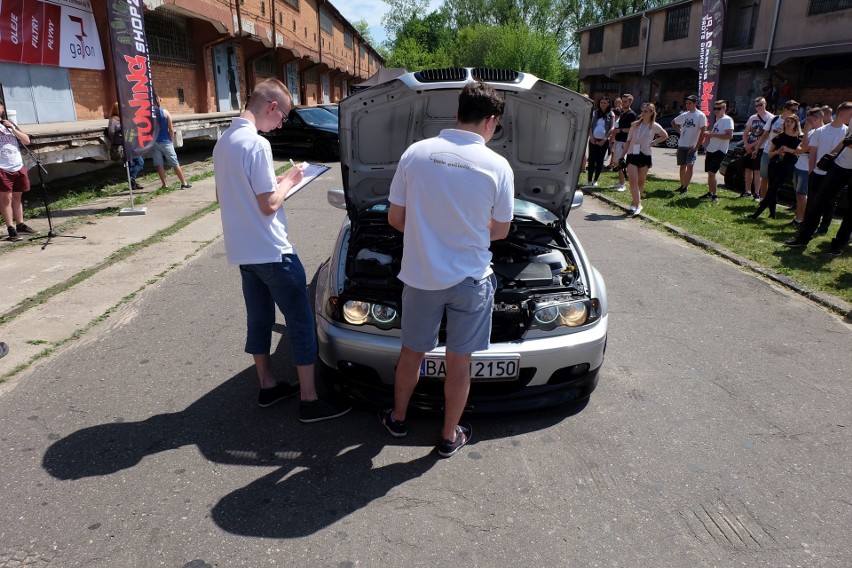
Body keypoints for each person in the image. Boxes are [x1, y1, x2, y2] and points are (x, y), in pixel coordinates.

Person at [381, 81, 514, 458]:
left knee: (412, 353)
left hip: (421, 277)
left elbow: (395, 218)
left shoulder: (416, 153)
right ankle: (447, 435)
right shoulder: (498, 166)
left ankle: (398, 418)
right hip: (471, 281)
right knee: (460, 363)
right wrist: (464, 228)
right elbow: (501, 231)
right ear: (490, 121)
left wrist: (430, 228)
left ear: (457, 114)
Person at [212, 78, 351, 422]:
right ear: (271, 107)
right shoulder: (257, 145)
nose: (281, 124)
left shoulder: (223, 142)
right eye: (283, 116)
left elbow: (226, 197)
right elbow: (268, 204)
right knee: (302, 321)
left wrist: (273, 187)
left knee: (259, 318)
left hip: (243, 252)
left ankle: (268, 385)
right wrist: (290, 180)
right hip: (273, 251)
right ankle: (309, 399)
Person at [785, 102, 852, 250]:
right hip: (831, 169)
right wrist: (822, 163)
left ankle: (835, 241)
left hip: (843, 170)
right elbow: (843, 143)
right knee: (815, 205)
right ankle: (803, 237)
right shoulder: (825, 130)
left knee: (839, 207)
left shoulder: (846, 127)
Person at [801, 102, 850, 236]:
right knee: (813, 202)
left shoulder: (847, 132)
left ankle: (824, 227)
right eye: (850, 114)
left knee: (830, 202)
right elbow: (813, 153)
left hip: (835, 174)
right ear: (842, 114)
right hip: (818, 172)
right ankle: (807, 227)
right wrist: (811, 171)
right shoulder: (821, 131)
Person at [748, 116, 802, 219]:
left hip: (787, 166)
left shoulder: (799, 138)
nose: (789, 123)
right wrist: (777, 152)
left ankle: (757, 213)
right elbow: (769, 154)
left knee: (773, 189)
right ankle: (772, 214)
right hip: (774, 164)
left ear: (796, 124)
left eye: (791, 121)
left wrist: (787, 149)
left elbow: (799, 152)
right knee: (773, 189)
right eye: (787, 121)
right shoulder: (779, 137)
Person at [0, 102, 38, 242]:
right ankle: (11, 229)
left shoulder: (9, 124)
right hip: (2, 168)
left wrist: (13, 128)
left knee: (17, 197)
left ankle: (20, 224)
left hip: (17, 165)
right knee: (6, 199)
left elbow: (27, 140)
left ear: (2, 108)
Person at [623, 102, 668, 217]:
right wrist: (621, 156)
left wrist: (654, 142)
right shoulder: (634, 125)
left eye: (646, 111)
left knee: (641, 181)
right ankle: (639, 205)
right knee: (633, 180)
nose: (642, 113)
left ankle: (634, 203)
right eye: (642, 111)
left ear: (652, 113)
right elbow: (628, 141)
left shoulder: (654, 126)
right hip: (632, 155)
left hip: (645, 155)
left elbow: (665, 135)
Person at [754, 100, 799, 202]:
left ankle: (771, 200)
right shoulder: (774, 119)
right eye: (792, 110)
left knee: (775, 179)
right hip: (768, 151)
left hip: (783, 154)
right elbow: (765, 134)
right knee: (765, 176)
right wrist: (757, 148)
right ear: (785, 109)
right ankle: (762, 199)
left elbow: (797, 138)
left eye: (796, 111)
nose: (794, 113)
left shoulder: (795, 122)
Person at [791, 108, 824, 227]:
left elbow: (805, 146)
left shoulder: (821, 132)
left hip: (807, 169)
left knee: (803, 195)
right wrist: (805, 147)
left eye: (809, 120)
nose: (807, 123)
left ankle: (802, 220)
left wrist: (805, 133)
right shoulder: (811, 131)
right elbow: (798, 149)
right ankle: (798, 218)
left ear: (817, 119)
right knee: (798, 194)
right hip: (799, 166)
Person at [151, 94, 191, 190]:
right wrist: (171, 140)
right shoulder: (165, 112)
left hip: (154, 142)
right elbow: (171, 129)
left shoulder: (149, 115)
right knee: (174, 162)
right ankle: (183, 183)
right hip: (166, 141)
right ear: (159, 100)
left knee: (159, 164)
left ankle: (165, 184)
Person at [700, 100, 734, 203]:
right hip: (711, 149)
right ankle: (710, 193)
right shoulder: (718, 120)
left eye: (719, 108)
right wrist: (710, 134)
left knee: (712, 172)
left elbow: (729, 136)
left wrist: (712, 135)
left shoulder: (727, 120)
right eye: (715, 108)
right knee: (710, 173)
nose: (716, 110)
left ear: (724, 108)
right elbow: (717, 134)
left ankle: (715, 196)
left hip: (719, 150)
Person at [672, 95, 707, 195]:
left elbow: (703, 131)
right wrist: (679, 130)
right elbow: (673, 122)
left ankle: (685, 187)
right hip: (682, 144)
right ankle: (682, 185)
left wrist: (697, 146)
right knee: (682, 166)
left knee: (690, 165)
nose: (688, 105)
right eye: (687, 103)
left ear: (696, 103)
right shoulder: (685, 114)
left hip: (692, 146)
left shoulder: (700, 115)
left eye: (690, 103)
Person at [107, 102, 144, 190]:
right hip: (121, 146)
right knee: (130, 165)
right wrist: (114, 141)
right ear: (117, 109)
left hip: (129, 144)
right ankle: (132, 182)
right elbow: (111, 132)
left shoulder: (123, 118)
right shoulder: (114, 120)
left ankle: (131, 179)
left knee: (140, 162)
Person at [741, 97, 772, 199]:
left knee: (757, 171)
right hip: (749, 146)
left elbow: (766, 136)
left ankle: (757, 193)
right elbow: (745, 133)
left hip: (762, 147)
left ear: (765, 104)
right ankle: (747, 191)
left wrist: (753, 145)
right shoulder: (752, 117)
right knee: (748, 169)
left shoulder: (770, 118)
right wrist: (746, 145)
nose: (759, 107)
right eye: (757, 105)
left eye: (761, 104)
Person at [610, 94, 636, 192]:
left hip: (625, 141)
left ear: (630, 102)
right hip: (619, 140)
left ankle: (623, 184)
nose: (623, 103)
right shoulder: (623, 113)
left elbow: (632, 129)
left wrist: (619, 130)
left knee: (621, 162)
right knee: (617, 162)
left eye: (625, 101)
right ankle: (620, 182)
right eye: (622, 101)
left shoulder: (631, 114)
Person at [586, 96, 614, 187]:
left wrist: (605, 139)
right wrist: (591, 137)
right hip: (593, 140)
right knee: (591, 160)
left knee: (600, 161)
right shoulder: (595, 113)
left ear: (608, 104)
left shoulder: (611, 114)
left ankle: (595, 180)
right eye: (602, 102)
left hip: (604, 141)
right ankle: (589, 180)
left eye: (605, 103)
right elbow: (590, 125)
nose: (603, 104)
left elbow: (612, 128)